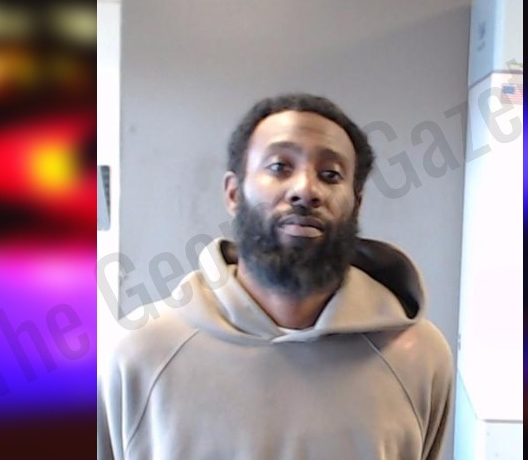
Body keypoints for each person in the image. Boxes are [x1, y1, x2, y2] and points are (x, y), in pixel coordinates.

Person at [98, 93, 454, 459]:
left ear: (356, 204)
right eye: (279, 167)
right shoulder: (139, 355)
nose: (305, 190)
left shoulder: (419, 356)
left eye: (330, 175)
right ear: (233, 193)